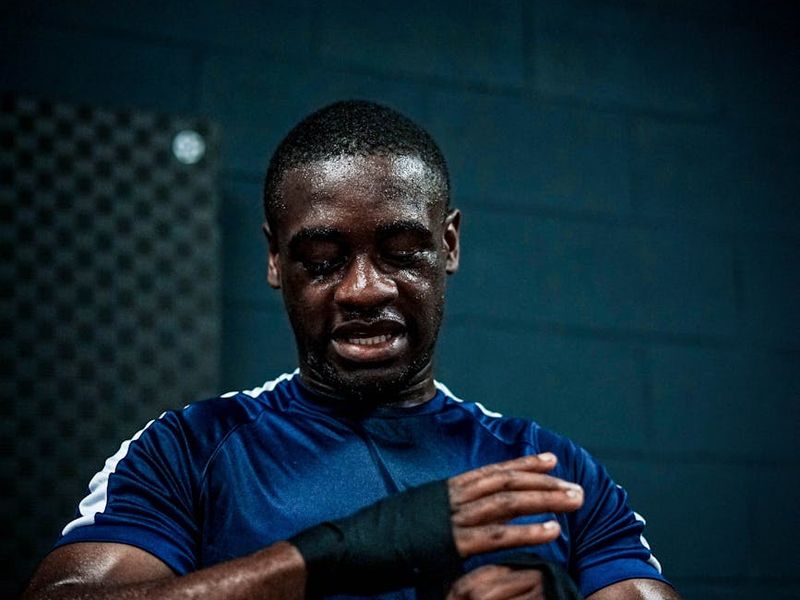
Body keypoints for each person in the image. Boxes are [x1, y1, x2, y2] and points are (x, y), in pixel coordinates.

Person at [23, 101, 681, 600]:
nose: (364, 289)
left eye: (400, 253)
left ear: (447, 246)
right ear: (276, 261)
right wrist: (334, 555)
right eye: (321, 261)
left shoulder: (548, 473)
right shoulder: (187, 451)